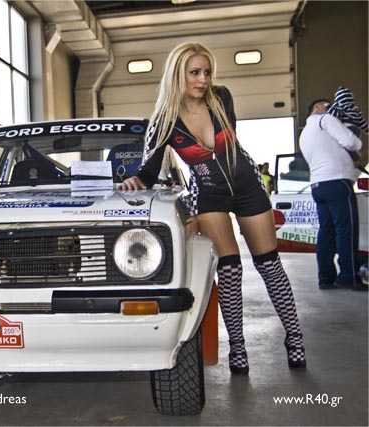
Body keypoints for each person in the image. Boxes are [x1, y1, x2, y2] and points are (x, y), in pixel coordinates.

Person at [118, 42, 306, 374]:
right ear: (178, 74)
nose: (203, 79)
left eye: (206, 72)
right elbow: (149, 170)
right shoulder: (164, 120)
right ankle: (238, 347)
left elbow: (229, 149)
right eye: (195, 72)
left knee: (269, 265)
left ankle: (295, 338)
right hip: (209, 194)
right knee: (229, 270)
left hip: (247, 186)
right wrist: (135, 180)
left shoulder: (221, 98)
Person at [299, 97, 365, 291]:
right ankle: (350, 277)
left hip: (318, 185)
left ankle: (326, 278)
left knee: (326, 231)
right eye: (329, 106)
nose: (333, 110)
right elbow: (352, 143)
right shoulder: (325, 119)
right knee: (346, 229)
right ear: (317, 107)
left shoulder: (305, 133)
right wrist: (355, 140)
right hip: (337, 181)